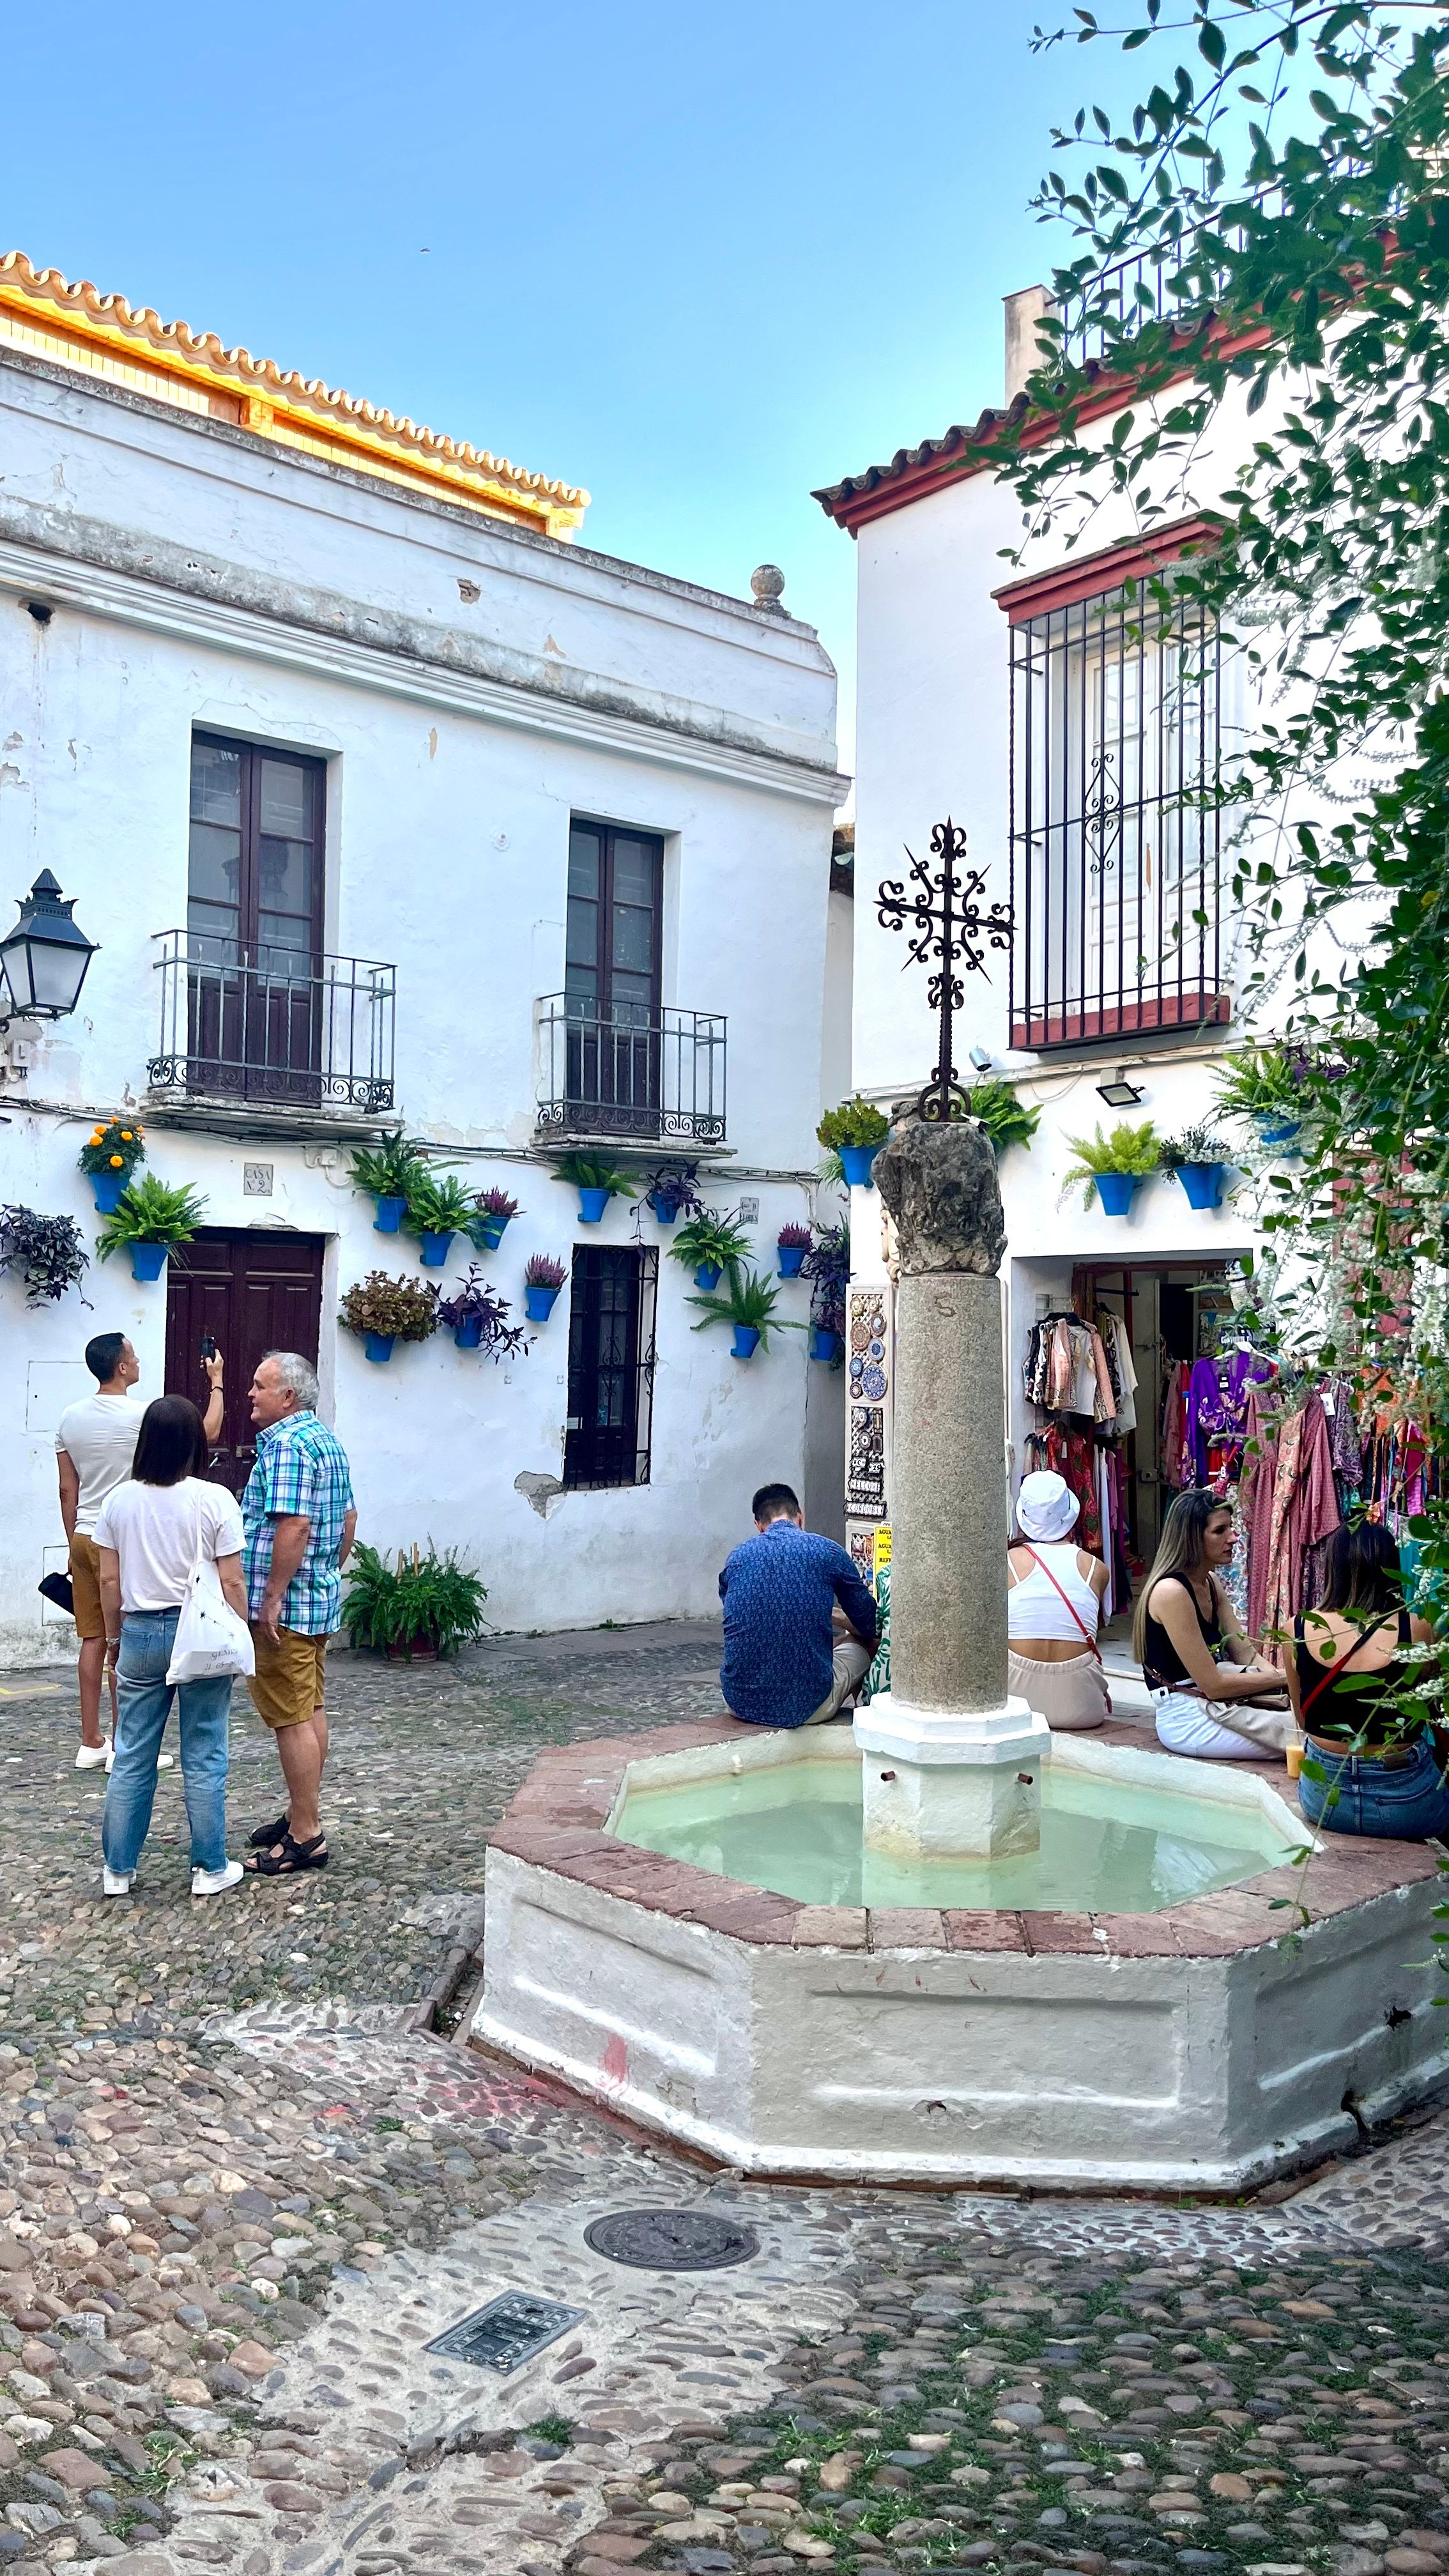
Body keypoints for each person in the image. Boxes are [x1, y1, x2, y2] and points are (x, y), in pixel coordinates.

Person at [93, 1395, 249, 1898]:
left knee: (133, 1752)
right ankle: (208, 1867)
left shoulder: (118, 1501)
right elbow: (232, 1583)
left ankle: (118, 1870)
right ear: (194, 1444)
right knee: (204, 1751)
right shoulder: (215, 1499)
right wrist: (240, 1633)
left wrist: (114, 1637)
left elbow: (109, 1579)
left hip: (139, 1631)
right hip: (199, 1633)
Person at [56, 1331, 223, 1770]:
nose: (138, 1361)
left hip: (85, 1534)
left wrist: (74, 1540)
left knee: (93, 1638)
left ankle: (90, 1741)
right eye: (133, 1355)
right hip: (125, 1535)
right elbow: (205, 1433)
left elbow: (66, 1488)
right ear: (122, 1367)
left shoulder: (69, 1418)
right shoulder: (141, 1415)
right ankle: (122, 1742)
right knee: (126, 1637)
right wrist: (217, 1382)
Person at [241, 1353, 356, 1876]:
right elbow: (348, 1518)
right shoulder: (325, 1439)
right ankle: (299, 1814)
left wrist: (272, 1596)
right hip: (316, 1597)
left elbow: (294, 1526)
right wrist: (325, 1573)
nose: (251, 1394)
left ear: (288, 1396)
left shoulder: (287, 1445)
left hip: (284, 1608)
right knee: (308, 1709)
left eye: (260, 1386)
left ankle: (307, 1834)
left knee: (290, 1717)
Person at [1285, 1521, 1443, 1837]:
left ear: (1331, 1568)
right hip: (1405, 1800)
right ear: (1390, 1568)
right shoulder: (1418, 1627)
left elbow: (1304, 1718)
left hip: (1324, 1802)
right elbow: (1431, 1705)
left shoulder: (1297, 1628)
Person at [1137, 1487, 1294, 1758]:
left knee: (1307, 1723)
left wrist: (1286, 1689)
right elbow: (1214, 1685)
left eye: (1231, 1529)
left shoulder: (1210, 1582)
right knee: (1301, 1739)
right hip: (1187, 1716)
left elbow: (1246, 1652)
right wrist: (1287, 1677)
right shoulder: (1171, 1592)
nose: (1233, 1538)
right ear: (1192, 1538)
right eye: (1220, 1531)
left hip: (1217, 1701)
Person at [719, 1482, 878, 1729]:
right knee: (864, 1643)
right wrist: (834, 1615)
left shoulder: (737, 1559)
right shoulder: (827, 1551)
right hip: (807, 1707)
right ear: (800, 1516)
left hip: (740, 1703)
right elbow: (869, 1623)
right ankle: (866, 1718)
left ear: (759, 1526)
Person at [1007, 1469, 1111, 1731]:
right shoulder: (1096, 1569)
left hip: (1016, 1703)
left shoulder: (1005, 1563)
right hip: (1082, 1707)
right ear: (1071, 1518)